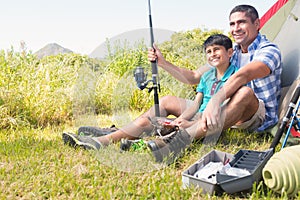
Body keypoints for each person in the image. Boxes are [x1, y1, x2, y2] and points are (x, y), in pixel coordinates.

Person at [63, 5, 282, 163]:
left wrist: (216, 100)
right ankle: (112, 136)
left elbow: (243, 76)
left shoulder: (268, 51)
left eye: (242, 22)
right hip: (224, 109)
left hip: (255, 114)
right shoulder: (231, 55)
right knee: (167, 101)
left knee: (243, 92)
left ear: (257, 23)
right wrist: (162, 62)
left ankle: (176, 144)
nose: (236, 28)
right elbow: (195, 77)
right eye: (232, 24)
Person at [62, 33, 237, 150]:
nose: (212, 54)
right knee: (149, 121)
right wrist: (181, 119)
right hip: (195, 115)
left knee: (170, 128)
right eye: (209, 51)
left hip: (209, 121)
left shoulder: (236, 75)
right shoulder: (207, 76)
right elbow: (197, 103)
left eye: (217, 50)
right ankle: (105, 139)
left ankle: (110, 140)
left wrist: (188, 124)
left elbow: (226, 111)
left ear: (230, 52)